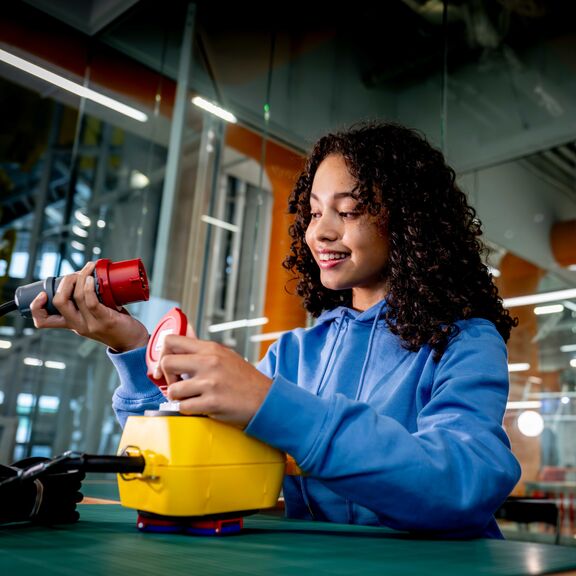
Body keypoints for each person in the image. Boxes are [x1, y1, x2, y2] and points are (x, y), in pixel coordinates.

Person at [30, 121, 521, 539]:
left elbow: (461, 483)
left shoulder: (465, 341)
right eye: (313, 211)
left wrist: (271, 404)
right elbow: (195, 463)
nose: (320, 232)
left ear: (411, 220)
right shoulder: (293, 353)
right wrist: (135, 349)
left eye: (347, 210)